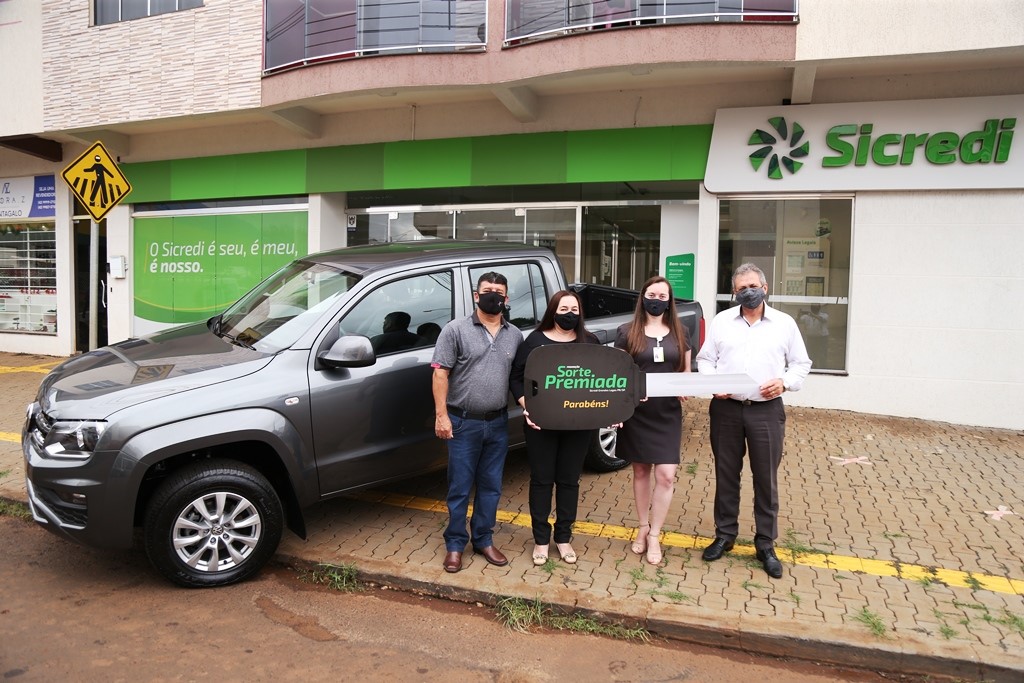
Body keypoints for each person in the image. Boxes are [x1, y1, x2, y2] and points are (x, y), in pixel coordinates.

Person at [696, 263, 812, 579]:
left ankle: (765, 543)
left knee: (765, 478)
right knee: (726, 474)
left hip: (766, 411)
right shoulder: (721, 322)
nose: (748, 291)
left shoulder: (785, 324)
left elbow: (802, 364)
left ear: (765, 287)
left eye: (753, 286)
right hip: (727, 410)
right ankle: (725, 535)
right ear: (734, 292)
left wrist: (785, 382)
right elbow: (705, 360)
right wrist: (712, 384)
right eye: (741, 287)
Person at [432, 272, 523, 573]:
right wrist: (441, 415)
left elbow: (517, 379)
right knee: (459, 487)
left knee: (491, 487)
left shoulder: (514, 335)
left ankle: (483, 539)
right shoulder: (455, 330)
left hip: (497, 424)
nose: (493, 295)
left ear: (506, 299)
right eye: (487, 290)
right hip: (462, 423)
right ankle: (455, 545)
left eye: (499, 291)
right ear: (476, 295)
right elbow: (440, 373)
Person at [509, 290, 599, 566]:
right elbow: (516, 378)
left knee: (569, 481)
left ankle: (563, 538)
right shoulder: (535, 341)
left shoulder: (590, 341)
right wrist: (529, 407)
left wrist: (607, 410)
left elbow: (602, 378)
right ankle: (540, 540)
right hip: (541, 424)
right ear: (553, 311)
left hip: (578, 425)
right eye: (563, 309)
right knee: (541, 480)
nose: (569, 314)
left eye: (574, 309)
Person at [614, 276, 690, 566]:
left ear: (669, 300)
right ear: (642, 297)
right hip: (638, 411)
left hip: (667, 412)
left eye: (662, 295)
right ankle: (643, 526)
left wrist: (685, 387)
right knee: (642, 471)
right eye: (652, 293)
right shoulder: (627, 331)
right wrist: (628, 395)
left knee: (666, 475)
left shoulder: (680, 332)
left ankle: (656, 534)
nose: (657, 299)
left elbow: (685, 370)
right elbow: (618, 373)